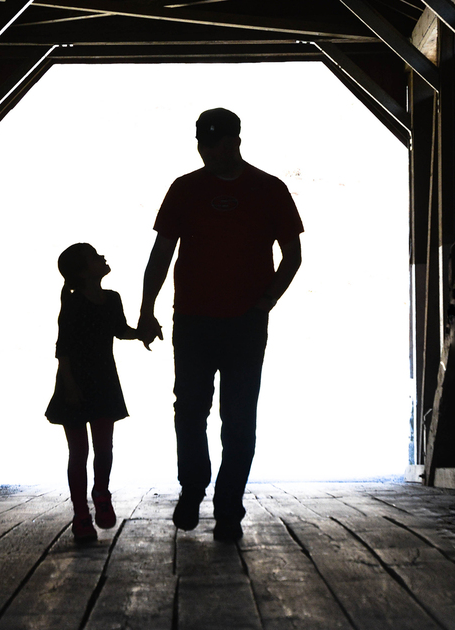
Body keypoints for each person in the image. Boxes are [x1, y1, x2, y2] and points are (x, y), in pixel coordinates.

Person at [137, 108, 303, 542]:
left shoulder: (269, 189)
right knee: (189, 410)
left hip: (246, 322)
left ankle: (228, 505)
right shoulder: (185, 189)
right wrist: (146, 307)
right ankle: (194, 487)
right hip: (192, 319)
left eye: (216, 145)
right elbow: (161, 252)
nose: (208, 152)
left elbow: (293, 256)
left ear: (236, 142)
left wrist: (266, 301)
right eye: (202, 145)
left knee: (238, 416)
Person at [45, 243, 141, 542]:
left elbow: (120, 329)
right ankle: (81, 513)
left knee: (103, 448)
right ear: (84, 271)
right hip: (76, 383)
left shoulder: (112, 299)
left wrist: (142, 332)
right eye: (95, 256)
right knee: (80, 452)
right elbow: (64, 349)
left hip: (102, 382)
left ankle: (100, 493)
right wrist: (69, 384)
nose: (103, 258)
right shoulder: (73, 303)